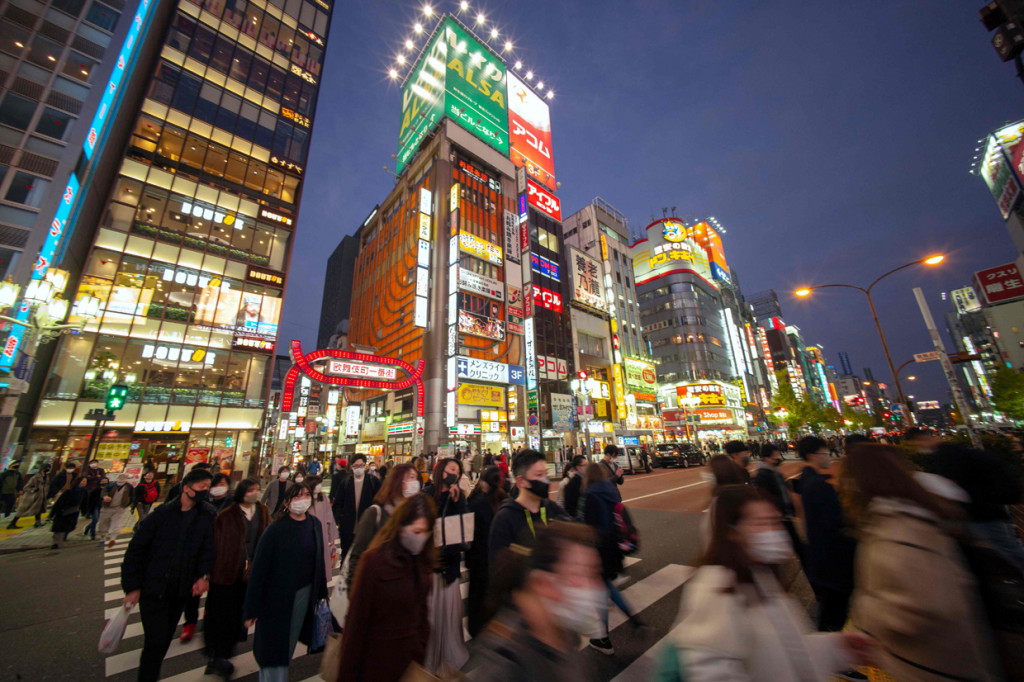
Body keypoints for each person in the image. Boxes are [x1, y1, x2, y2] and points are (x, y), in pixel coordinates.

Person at [667, 485, 875, 680]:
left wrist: (836, 648)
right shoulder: (716, 588)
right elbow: (709, 670)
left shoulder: (760, 576)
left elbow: (784, 650)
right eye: (760, 524)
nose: (773, 532)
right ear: (731, 532)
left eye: (774, 522)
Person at [841, 445, 1005, 681]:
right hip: (949, 656)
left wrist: (863, 608)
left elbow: (918, 608)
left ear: (858, 482)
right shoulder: (913, 511)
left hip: (929, 665)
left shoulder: (896, 530)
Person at [463, 521, 603, 682]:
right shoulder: (504, 665)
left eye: (594, 573)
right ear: (542, 583)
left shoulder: (564, 634)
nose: (593, 587)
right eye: (578, 574)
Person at [121, 468, 215, 682]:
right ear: (186, 488)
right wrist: (132, 587)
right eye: (201, 487)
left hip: (180, 590)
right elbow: (135, 551)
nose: (205, 492)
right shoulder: (161, 515)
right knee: (155, 642)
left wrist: (204, 576)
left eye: (207, 488)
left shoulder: (207, 515)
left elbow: (208, 550)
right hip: (153, 589)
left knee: (162, 640)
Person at [336, 494, 437, 682]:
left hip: (408, 665)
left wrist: (420, 648)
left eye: (426, 532)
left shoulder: (422, 562)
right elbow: (356, 625)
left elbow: (422, 615)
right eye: (416, 532)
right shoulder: (374, 562)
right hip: (375, 663)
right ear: (400, 527)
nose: (421, 538)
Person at [243, 482, 329, 682]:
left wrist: (322, 594)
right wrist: (251, 609)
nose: (303, 500)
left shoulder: (314, 524)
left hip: (304, 594)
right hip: (277, 597)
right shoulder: (275, 529)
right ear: (287, 502)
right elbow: (258, 571)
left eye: (306, 495)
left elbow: (318, 560)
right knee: (274, 647)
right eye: (297, 496)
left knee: (289, 643)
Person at [906, 427, 1024, 572]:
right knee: (1006, 547)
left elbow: (953, 486)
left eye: (916, 445)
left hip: (980, 513)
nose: (918, 448)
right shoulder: (953, 450)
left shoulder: (945, 456)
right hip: (987, 508)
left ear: (922, 439)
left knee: (1008, 549)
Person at [204, 478, 270, 679]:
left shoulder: (263, 511)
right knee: (222, 614)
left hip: (251, 574)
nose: (255, 493)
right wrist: (205, 574)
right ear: (242, 492)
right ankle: (217, 656)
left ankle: (223, 652)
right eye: (251, 490)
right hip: (226, 572)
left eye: (258, 489)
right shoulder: (226, 515)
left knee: (240, 614)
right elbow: (213, 545)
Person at [793, 435, 857, 635]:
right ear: (813, 455)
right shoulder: (819, 485)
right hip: (830, 557)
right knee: (833, 614)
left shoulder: (810, 480)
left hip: (822, 556)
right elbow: (833, 524)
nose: (828, 456)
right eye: (825, 453)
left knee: (832, 610)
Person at [581, 462, 639, 655]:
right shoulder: (609, 490)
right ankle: (635, 621)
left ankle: (603, 638)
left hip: (598, 550)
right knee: (607, 588)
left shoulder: (590, 495)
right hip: (613, 548)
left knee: (600, 593)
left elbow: (588, 526)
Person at [425, 457, 470, 674]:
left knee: (449, 619)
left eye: (458, 471)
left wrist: (457, 501)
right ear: (441, 471)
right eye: (451, 469)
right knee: (430, 619)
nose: (455, 473)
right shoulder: (426, 494)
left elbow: (464, 531)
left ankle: (448, 660)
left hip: (449, 567)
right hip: (428, 568)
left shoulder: (458, 497)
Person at [344, 462, 419, 589]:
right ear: (397, 480)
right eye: (410, 477)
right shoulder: (375, 513)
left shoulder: (412, 513)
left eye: (415, 478)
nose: (415, 482)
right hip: (377, 587)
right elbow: (357, 556)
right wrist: (355, 593)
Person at [489, 450, 568, 565]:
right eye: (539, 475)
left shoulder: (553, 510)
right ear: (521, 482)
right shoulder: (505, 519)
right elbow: (499, 568)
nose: (545, 480)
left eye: (546, 474)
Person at [466, 466, 506, 637]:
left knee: (478, 598)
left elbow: (469, 534)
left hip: (480, 560)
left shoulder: (477, 503)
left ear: (483, 482)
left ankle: (478, 630)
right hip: (499, 560)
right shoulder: (505, 500)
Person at [751, 443, 804, 567]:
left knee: (797, 547)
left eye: (778, 454)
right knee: (797, 548)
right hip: (778, 518)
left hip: (784, 515)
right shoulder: (763, 475)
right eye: (775, 455)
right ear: (766, 458)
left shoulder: (774, 472)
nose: (778, 457)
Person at [331, 454, 380, 560]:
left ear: (365, 465)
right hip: (348, 529)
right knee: (347, 557)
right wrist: (340, 520)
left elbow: (379, 502)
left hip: (367, 528)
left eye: (361, 465)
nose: (359, 469)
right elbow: (337, 504)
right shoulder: (345, 482)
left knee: (365, 559)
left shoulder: (373, 482)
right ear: (351, 467)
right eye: (356, 466)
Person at [306, 475, 339, 581]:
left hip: (322, 533)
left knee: (322, 562)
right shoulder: (304, 498)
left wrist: (332, 536)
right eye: (317, 484)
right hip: (307, 535)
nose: (319, 486)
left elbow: (330, 517)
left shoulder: (323, 497)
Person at [97, 473, 134, 547]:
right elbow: (104, 492)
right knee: (103, 523)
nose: (122, 478)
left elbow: (132, 496)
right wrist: (105, 497)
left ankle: (112, 539)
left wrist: (128, 505)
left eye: (124, 477)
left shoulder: (129, 487)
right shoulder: (110, 485)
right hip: (107, 507)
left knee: (116, 524)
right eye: (121, 477)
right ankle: (102, 538)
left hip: (120, 508)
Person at [50, 475, 87, 549]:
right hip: (63, 511)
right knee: (59, 527)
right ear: (78, 482)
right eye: (83, 481)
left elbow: (85, 502)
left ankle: (61, 538)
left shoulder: (84, 491)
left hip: (74, 511)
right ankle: (56, 543)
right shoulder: (69, 491)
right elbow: (59, 503)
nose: (84, 483)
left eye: (85, 481)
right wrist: (52, 514)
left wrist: (84, 511)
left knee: (69, 526)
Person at [81, 472, 106, 539]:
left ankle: (87, 528)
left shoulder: (108, 490)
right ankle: (93, 534)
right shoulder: (96, 490)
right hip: (95, 506)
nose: (104, 483)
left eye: (105, 482)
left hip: (103, 507)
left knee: (96, 520)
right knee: (95, 520)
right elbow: (91, 500)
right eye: (102, 481)